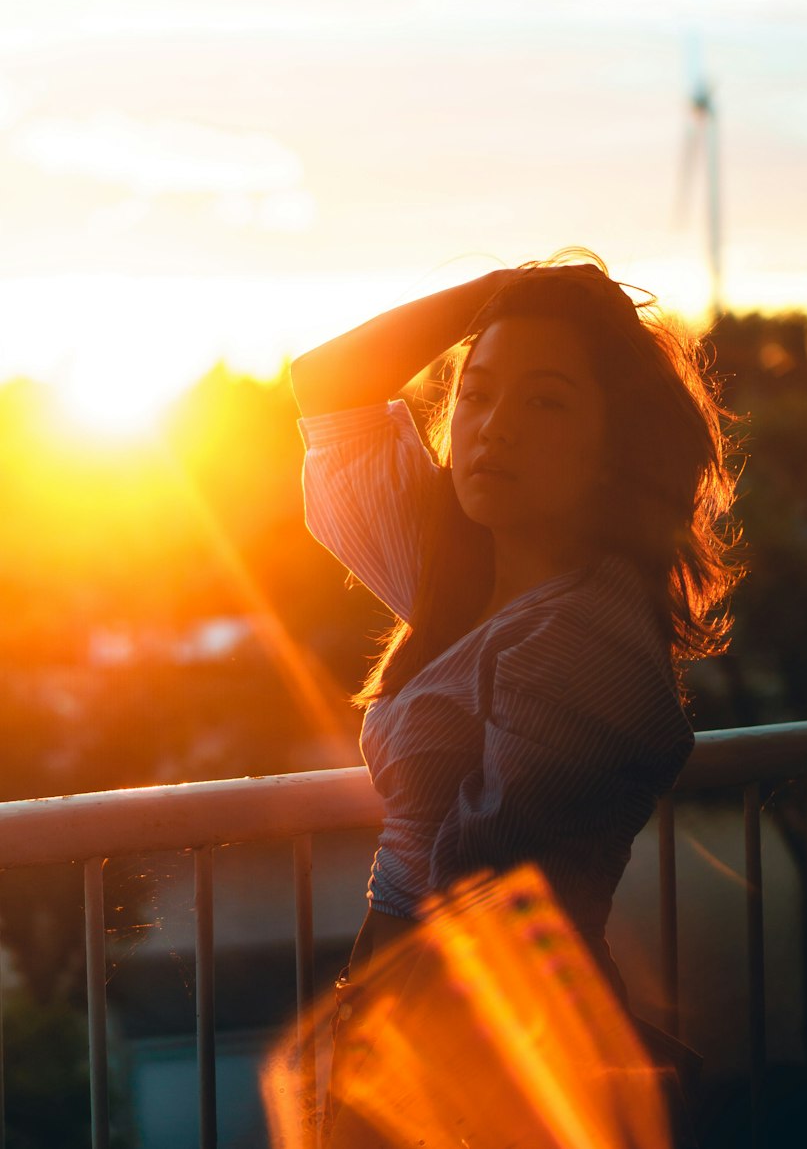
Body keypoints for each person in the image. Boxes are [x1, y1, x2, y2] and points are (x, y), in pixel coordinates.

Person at [290, 249, 740, 1146]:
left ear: (615, 447)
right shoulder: (455, 575)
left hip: (501, 1060)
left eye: (547, 402)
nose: (493, 428)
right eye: (478, 393)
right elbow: (328, 382)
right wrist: (515, 287)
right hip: (430, 1039)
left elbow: (476, 909)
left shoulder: (583, 635)